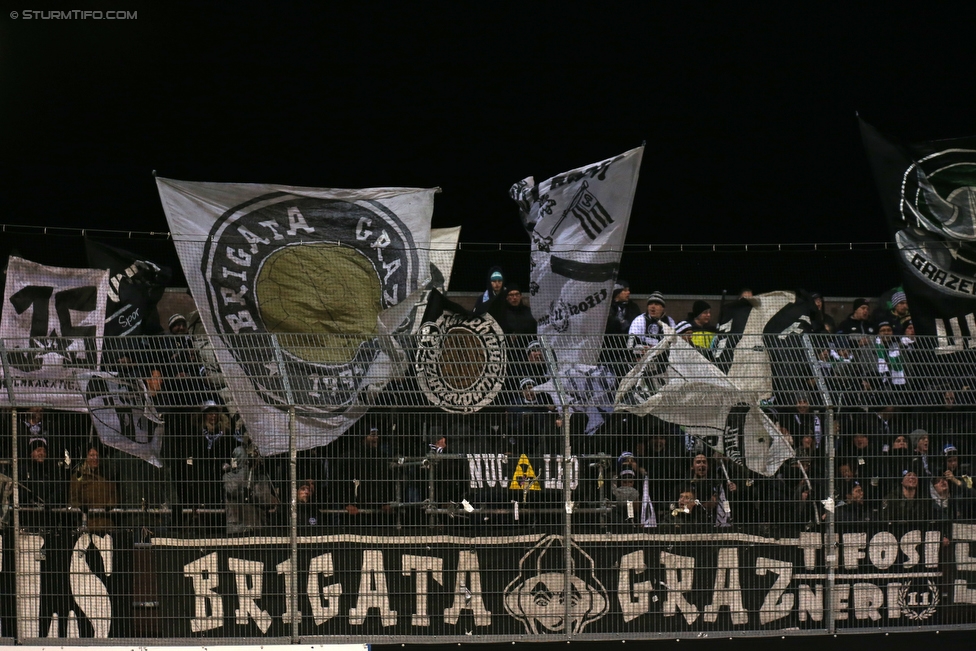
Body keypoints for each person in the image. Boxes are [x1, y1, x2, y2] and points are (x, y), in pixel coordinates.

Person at [223, 446, 279, 535]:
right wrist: (245, 468)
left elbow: (266, 500)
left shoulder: (260, 478)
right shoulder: (228, 476)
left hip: (257, 525)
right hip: (237, 527)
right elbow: (233, 490)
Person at [69, 446, 117, 534]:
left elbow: (113, 493)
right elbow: (74, 496)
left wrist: (111, 504)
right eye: (91, 455)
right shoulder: (79, 475)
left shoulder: (106, 475)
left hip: (106, 522)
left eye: (97, 455)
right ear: (86, 457)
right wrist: (80, 506)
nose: (95, 458)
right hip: (86, 523)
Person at [627, 291, 675, 357]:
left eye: (656, 304)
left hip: (664, 358)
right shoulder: (640, 320)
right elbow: (631, 343)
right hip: (643, 358)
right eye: (650, 304)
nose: (653, 306)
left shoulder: (670, 321)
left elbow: (674, 342)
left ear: (663, 308)